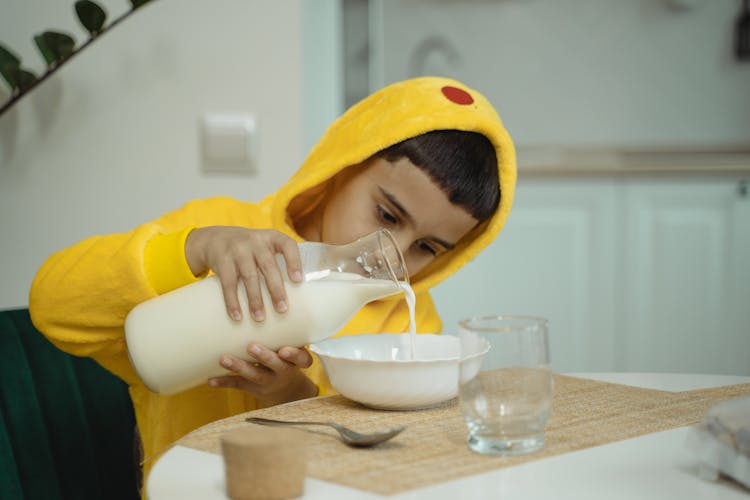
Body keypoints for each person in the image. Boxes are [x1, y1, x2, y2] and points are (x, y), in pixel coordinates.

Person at [28, 76, 517, 484]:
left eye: (427, 248)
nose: (395, 255)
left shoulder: (406, 318)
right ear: (340, 168)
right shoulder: (220, 235)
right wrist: (192, 250)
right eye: (387, 215)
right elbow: (53, 308)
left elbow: (394, 456)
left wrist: (291, 396)